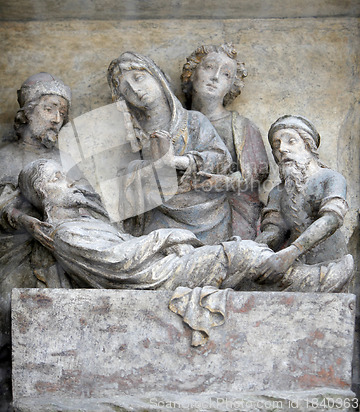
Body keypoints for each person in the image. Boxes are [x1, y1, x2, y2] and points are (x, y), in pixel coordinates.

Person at [17, 158, 354, 294]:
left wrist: (169, 245)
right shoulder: (67, 233)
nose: (70, 182)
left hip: (160, 267)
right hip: (154, 278)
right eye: (57, 178)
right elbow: (117, 260)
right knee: (241, 253)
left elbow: (122, 247)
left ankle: (304, 281)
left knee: (242, 255)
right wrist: (166, 236)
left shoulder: (86, 223)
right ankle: (316, 283)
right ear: (41, 192)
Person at [0, 73, 90, 410]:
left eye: (62, 114)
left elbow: (85, 203)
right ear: (27, 111)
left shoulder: (66, 162)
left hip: (57, 251)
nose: (56, 119)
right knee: (9, 308)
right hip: (13, 247)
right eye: (50, 109)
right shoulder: (4, 156)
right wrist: (23, 219)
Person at [107, 52, 233, 244]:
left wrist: (177, 162)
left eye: (139, 78)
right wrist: (147, 169)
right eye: (125, 88)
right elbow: (119, 187)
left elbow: (222, 159)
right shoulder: (131, 139)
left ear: (157, 76)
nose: (135, 89)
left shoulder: (194, 121)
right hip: (155, 220)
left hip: (206, 214)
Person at [181, 44, 269, 239]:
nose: (215, 77)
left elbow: (257, 172)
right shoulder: (176, 121)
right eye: (209, 67)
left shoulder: (241, 126)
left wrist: (225, 182)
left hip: (227, 209)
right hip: (179, 207)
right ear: (192, 72)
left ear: (231, 86)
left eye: (226, 75)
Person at [255, 115, 350, 283]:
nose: (282, 149)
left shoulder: (331, 178)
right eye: (277, 146)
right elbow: (274, 232)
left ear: (308, 146)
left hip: (328, 266)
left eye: (291, 141)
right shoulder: (278, 192)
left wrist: (291, 252)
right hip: (292, 266)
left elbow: (332, 219)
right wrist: (251, 252)